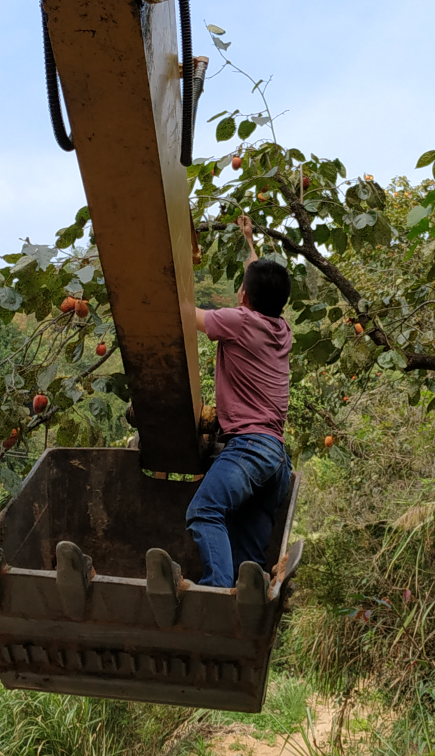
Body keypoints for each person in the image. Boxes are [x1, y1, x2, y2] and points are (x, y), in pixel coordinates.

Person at [188, 215, 293, 588]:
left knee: (204, 512)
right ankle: (240, 604)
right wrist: (249, 242)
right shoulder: (281, 329)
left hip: (249, 448)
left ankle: (215, 589)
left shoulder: (240, 322)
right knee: (248, 551)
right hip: (277, 460)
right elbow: (260, 279)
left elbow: (187, 316)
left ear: (243, 297)